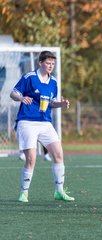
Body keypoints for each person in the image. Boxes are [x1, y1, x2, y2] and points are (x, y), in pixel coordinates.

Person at [10, 50, 74, 203]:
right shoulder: (29, 77)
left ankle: (59, 191)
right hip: (27, 122)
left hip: (45, 123)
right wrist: (21, 97)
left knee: (58, 154)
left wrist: (62, 104)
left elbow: (51, 103)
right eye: (48, 63)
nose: (51, 66)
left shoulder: (53, 82)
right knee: (31, 158)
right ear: (40, 63)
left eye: (53, 63)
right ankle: (24, 193)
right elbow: (13, 93)